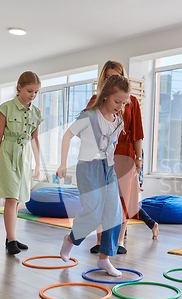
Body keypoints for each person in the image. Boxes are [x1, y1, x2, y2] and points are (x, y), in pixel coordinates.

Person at [57, 74, 128, 277]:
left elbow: (111, 147)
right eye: (117, 101)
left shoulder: (118, 121)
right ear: (105, 96)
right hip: (89, 168)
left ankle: (104, 258)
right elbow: (68, 135)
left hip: (109, 169)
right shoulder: (88, 115)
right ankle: (70, 240)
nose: (120, 106)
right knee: (93, 213)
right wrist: (63, 164)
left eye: (123, 102)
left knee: (114, 214)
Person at [88, 61, 158, 256]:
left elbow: (137, 133)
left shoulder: (132, 101)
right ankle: (101, 240)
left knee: (122, 200)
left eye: (116, 76)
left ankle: (119, 241)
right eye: (108, 77)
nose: (112, 80)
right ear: (104, 79)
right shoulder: (96, 100)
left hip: (125, 155)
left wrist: (138, 159)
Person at [0, 71, 43, 255]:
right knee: (11, 197)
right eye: (29, 91)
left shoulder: (36, 112)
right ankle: (11, 239)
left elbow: (35, 140)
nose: (32, 95)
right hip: (7, 152)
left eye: (36, 92)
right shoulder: (6, 108)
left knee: (17, 198)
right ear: (19, 87)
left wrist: (38, 164)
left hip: (25, 154)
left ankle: (11, 236)